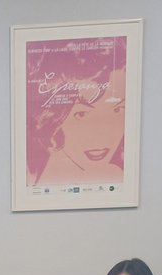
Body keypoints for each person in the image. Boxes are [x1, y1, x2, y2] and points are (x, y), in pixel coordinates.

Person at [25, 37, 127, 185]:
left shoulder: (117, 176)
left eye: (118, 110)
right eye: (81, 114)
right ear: (53, 118)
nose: (100, 136)